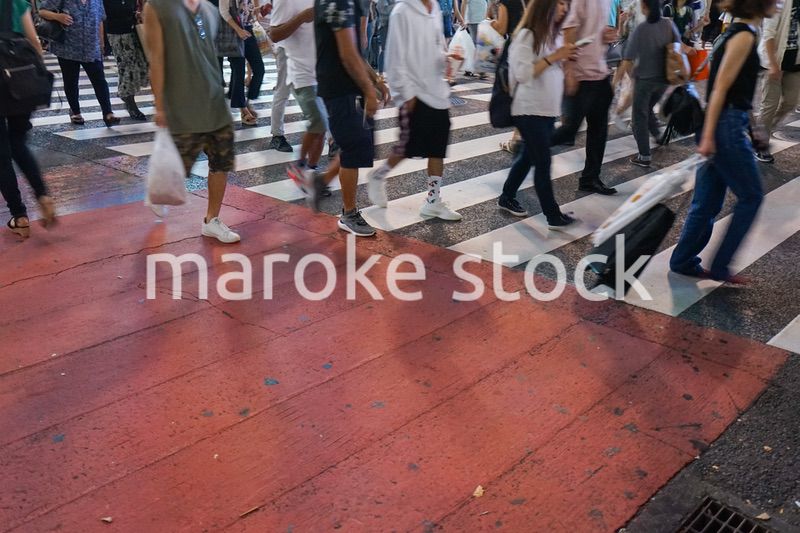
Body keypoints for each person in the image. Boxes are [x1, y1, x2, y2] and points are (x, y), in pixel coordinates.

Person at [670, 0, 777, 284]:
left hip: (726, 123)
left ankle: (682, 260)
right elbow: (719, 90)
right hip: (725, 127)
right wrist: (708, 137)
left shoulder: (737, 33)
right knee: (751, 196)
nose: (778, 4)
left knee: (706, 202)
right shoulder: (742, 36)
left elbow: (738, 89)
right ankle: (720, 266)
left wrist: (753, 126)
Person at [144, 0, 241, 243]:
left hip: (213, 97)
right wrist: (160, 104)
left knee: (221, 161)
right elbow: (156, 58)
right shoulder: (157, 7)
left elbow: (208, 54)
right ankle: (158, 192)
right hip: (181, 100)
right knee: (178, 164)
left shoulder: (208, 9)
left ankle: (212, 220)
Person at [367, 0, 463, 221]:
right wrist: (405, 94)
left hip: (437, 90)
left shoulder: (436, 9)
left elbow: (437, 47)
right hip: (414, 93)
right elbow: (394, 58)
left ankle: (433, 201)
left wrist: (448, 58)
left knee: (437, 148)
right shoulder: (402, 11)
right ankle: (378, 176)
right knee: (407, 147)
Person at [306, 0, 390, 236]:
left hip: (348, 82)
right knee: (354, 145)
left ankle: (321, 182)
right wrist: (368, 89)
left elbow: (354, 50)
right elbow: (346, 52)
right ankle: (348, 213)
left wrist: (374, 79)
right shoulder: (337, 1)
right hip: (338, 85)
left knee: (358, 144)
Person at [497, 0, 578, 228]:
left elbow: (552, 69)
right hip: (528, 109)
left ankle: (506, 196)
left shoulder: (554, 35)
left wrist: (566, 59)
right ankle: (552, 215)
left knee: (528, 158)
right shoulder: (525, 35)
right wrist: (555, 56)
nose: (565, 8)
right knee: (543, 162)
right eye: (561, 3)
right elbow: (523, 74)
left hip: (546, 109)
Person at [1, 0, 57, 238]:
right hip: (19, 80)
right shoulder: (16, 2)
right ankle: (42, 195)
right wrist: (37, 75)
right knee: (19, 143)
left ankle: (20, 215)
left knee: (0, 154)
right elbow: (34, 41)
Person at [550, 0, 618, 195]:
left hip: (600, 73)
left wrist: (605, 35)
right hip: (581, 76)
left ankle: (590, 179)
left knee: (599, 130)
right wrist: (569, 70)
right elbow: (569, 31)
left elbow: (594, 31)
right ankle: (529, 147)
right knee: (569, 130)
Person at [271, 0, 338, 197]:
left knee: (321, 126)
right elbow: (274, 34)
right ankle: (299, 166)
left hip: (321, 71)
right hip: (300, 73)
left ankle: (310, 172)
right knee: (318, 120)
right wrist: (301, 17)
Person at [617, 0, 680, 167]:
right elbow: (678, 46)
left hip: (644, 81)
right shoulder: (668, 24)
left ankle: (644, 156)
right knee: (648, 109)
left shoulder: (641, 29)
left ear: (645, 8)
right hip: (664, 79)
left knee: (639, 118)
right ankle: (659, 137)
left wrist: (615, 80)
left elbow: (628, 59)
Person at [39, 0, 120, 127]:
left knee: (99, 80)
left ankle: (108, 113)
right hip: (67, 47)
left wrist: (102, 44)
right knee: (71, 80)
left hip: (91, 47)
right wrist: (58, 17)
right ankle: (75, 111)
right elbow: (42, 11)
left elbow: (99, 20)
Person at [755, 0, 800, 163]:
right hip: (773, 61)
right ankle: (760, 144)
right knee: (769, 105)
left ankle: (760, 133)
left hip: (795, 62)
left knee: (791, 102)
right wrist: (773, 64)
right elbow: (768, 33)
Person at [219, 0, 265, 126]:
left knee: (259, 69)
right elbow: (223, 11)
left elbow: (248, 8)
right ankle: (243, 108)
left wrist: (258, 10)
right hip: (232, 32)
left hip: (249, 28)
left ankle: (248, 100)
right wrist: (238, 30)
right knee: (238, 71)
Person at [103, 0, 149, 120]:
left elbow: (132, 8)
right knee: (127, 67)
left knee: (142, 66)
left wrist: (137, 14)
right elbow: (102, 15)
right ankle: (129, 101)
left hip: (133, 31)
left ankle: (126, 93)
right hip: (117, 34)